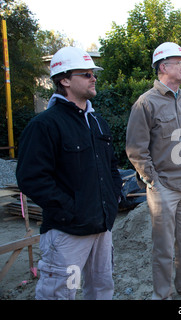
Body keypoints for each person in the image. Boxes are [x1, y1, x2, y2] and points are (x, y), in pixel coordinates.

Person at [16, 47, 123, 300]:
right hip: (68, 234)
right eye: (86, 74)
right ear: (64, 80)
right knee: (61, 294)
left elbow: (111, 168)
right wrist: (71, 211)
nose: (93, 78)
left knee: (101, 290)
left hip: (102, 229)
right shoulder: (45, 125)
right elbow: (32, 178)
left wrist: (112, 198)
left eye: (93, 73)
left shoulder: (97, 122)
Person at [126, 42, 181, 300]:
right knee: (163, 250)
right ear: (163, 66)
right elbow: (136, 148)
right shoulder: (145, 103)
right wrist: (152, 181)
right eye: (179, 61)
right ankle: (163, 295)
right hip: (164, 188)